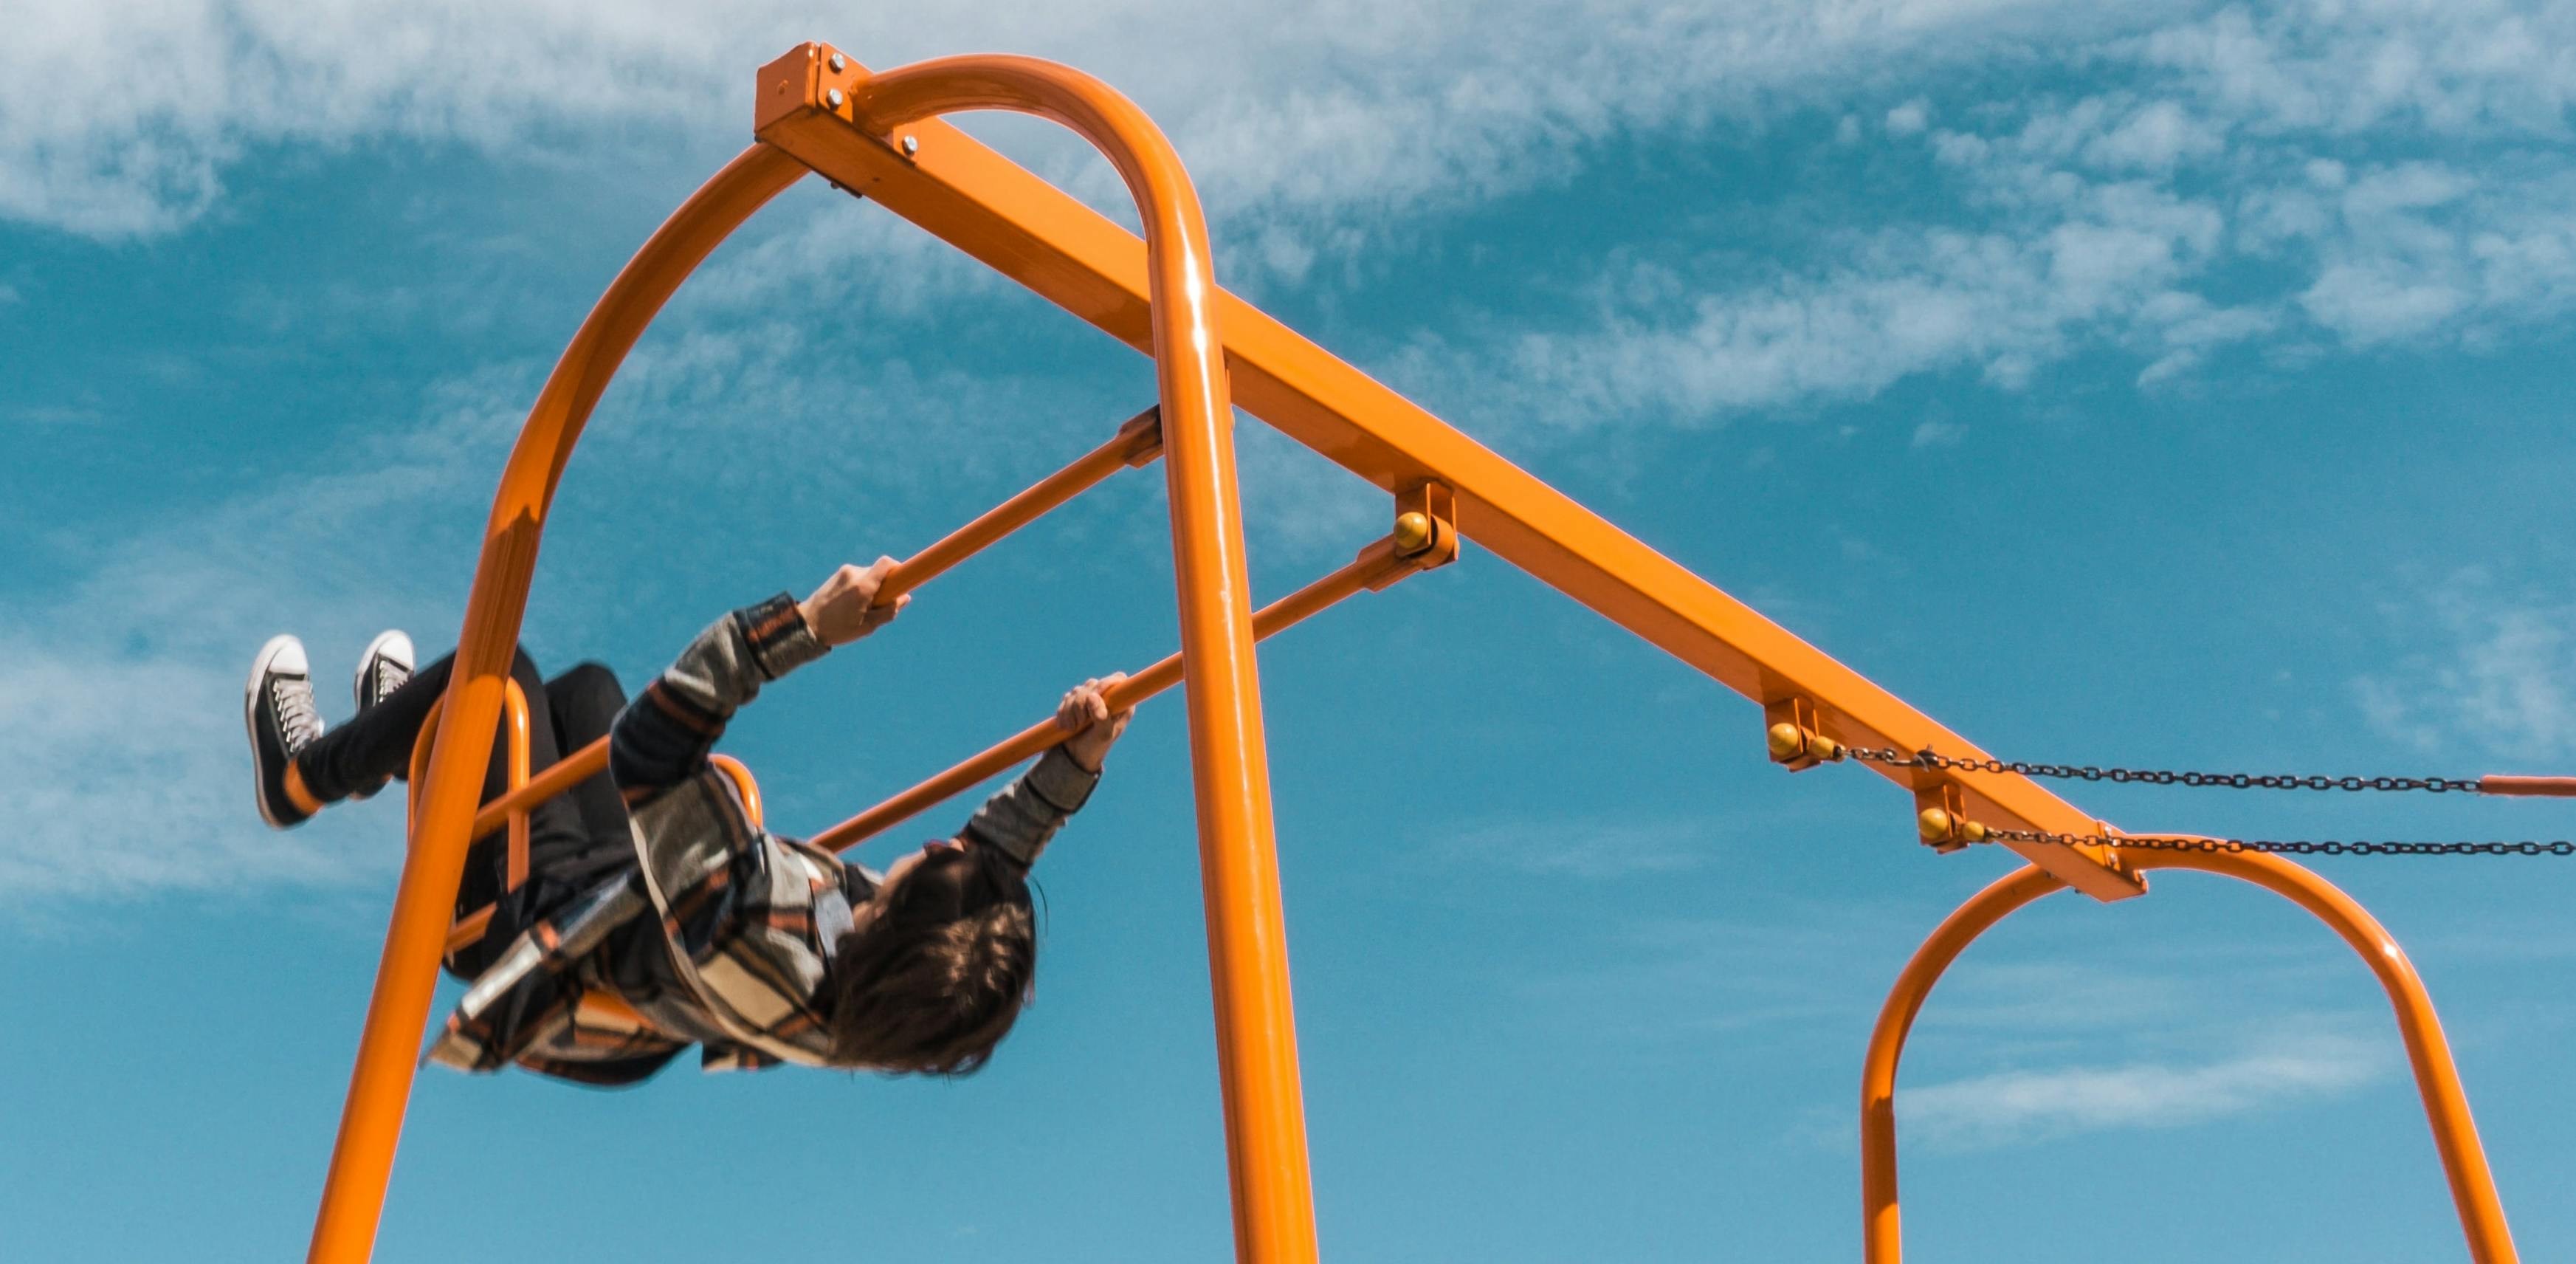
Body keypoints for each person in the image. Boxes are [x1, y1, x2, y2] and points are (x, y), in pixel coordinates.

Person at [241, 559, 1132, 1085]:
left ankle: (299, 778)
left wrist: (806, 627)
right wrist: (1078, 758)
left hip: (533, 938)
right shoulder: (881, 996)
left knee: (497, 676)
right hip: (627, 930)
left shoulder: (753, 918)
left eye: (938, 868)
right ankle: (399, 739)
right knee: (585, 687)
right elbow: (983, 869)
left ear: (895, 926)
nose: (943, 844)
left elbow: (654, 749)